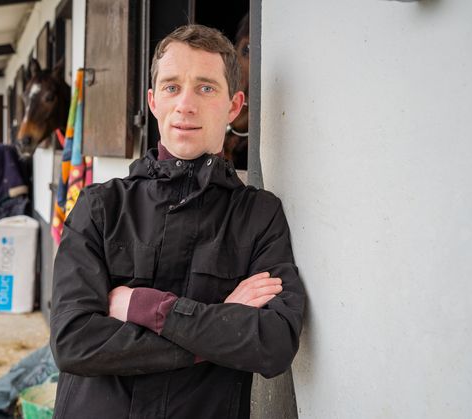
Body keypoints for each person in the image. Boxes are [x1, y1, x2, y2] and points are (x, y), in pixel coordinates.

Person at [50, 24, 305, 419]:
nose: (186, 104)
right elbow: (73, 342)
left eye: (206, 88)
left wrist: (147, 307)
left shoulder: (258, 216)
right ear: (153, 101)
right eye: (172, 87)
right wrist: (218, 322)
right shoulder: (100, 207)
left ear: (234, 105)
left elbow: (273, 343)